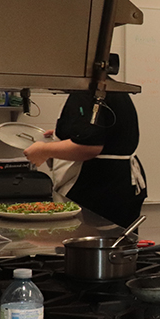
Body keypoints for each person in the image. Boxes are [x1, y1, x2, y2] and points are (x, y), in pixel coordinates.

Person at [23, 91, 147, 228]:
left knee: (94, 243)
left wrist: (44, 150)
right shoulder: (113, 88)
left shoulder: (89, 92)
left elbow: (90, 147)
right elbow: (103, 133)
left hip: (100, 185)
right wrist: (64, 134)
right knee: (121, 242)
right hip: (121, 182)